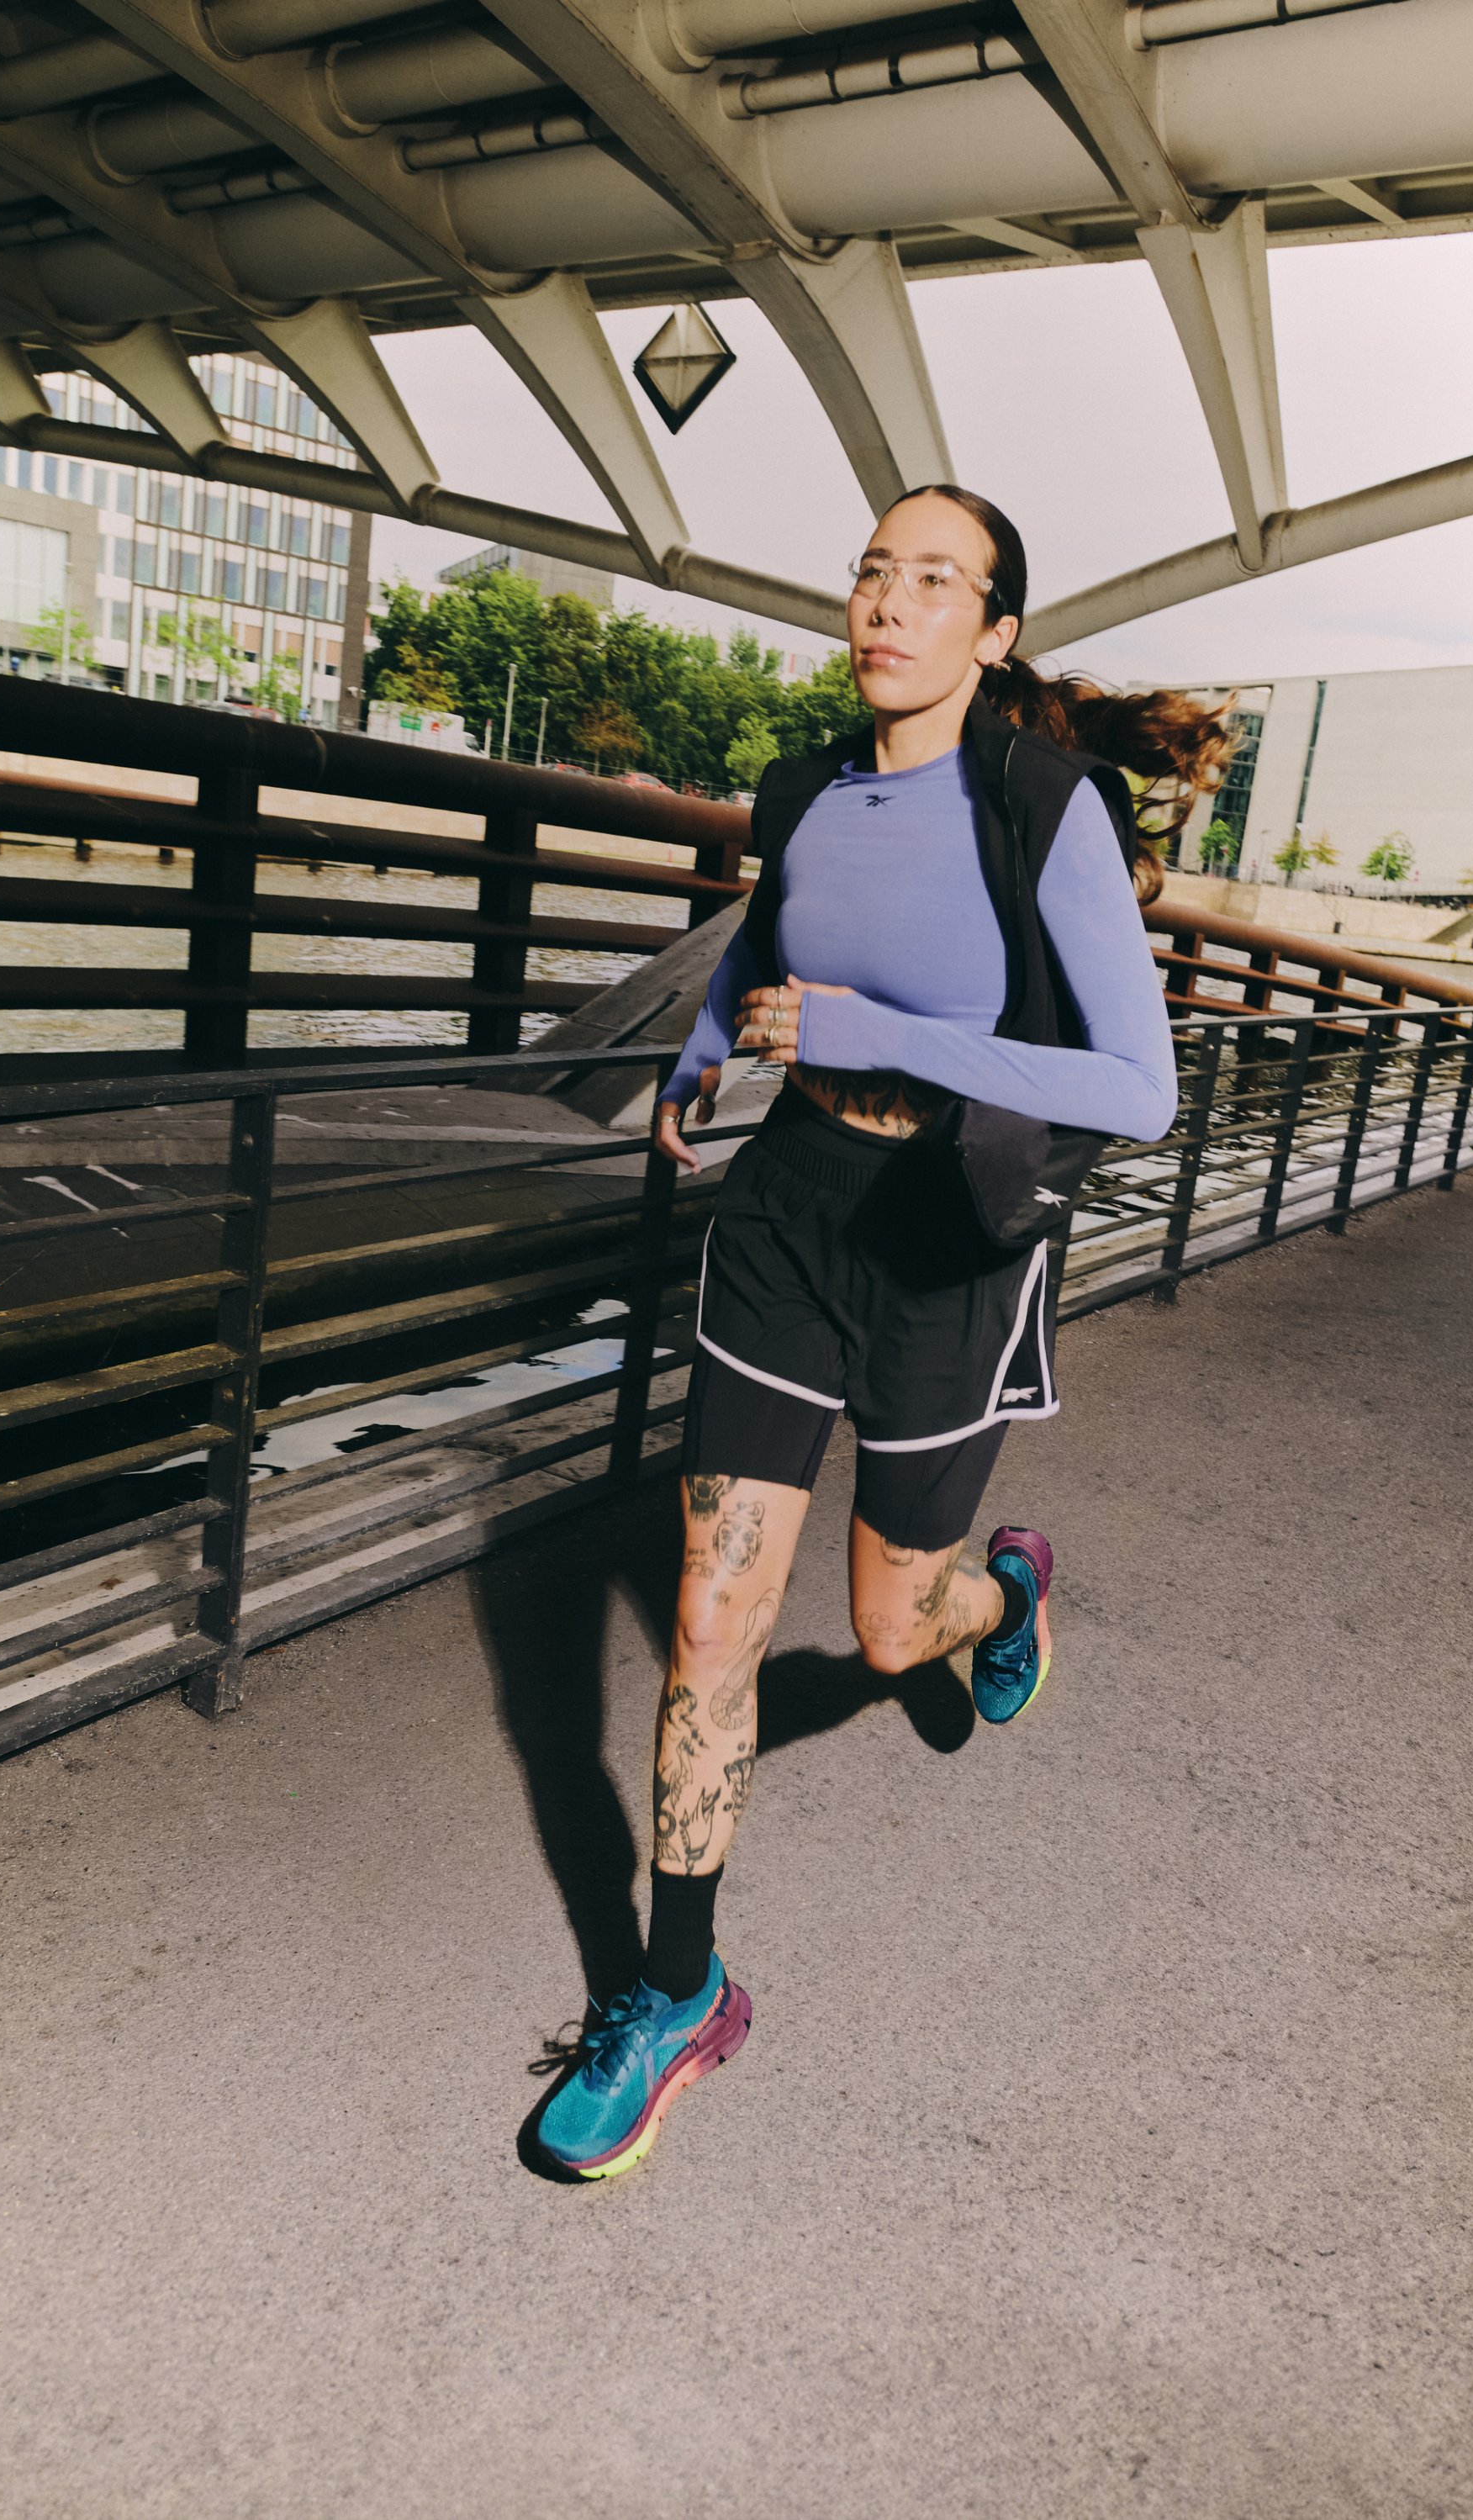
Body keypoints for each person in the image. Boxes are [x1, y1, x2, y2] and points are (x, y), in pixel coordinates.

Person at [537, 485, 1230, 2179]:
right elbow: (773, 941)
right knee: (712, 1611)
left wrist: (886, 1035)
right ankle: (678, 1985)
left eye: (936, 580)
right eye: (870, 569)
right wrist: (705, 1048)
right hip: (787, 1214)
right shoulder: (807, 786)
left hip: (941, 1244)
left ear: (991, 632)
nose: (888, 602)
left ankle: (1001, 1591)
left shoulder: (1037, 799)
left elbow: (1131, 1088)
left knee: (895, 1622)